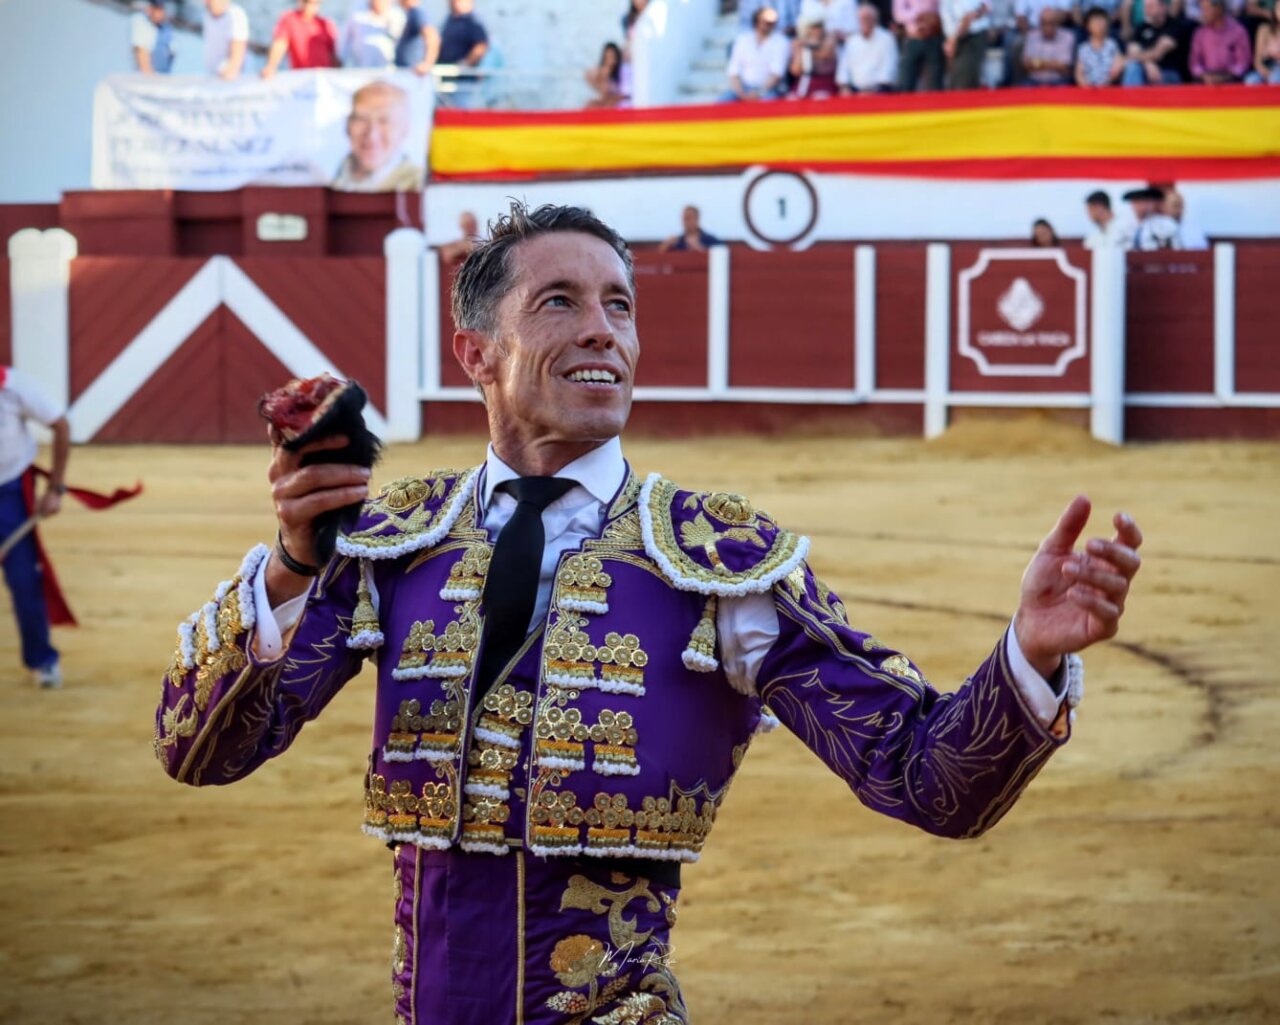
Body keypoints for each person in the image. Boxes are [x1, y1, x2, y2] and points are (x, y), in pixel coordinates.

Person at [155, 201, 1143, 1021]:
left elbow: (928, 777)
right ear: (475, 351)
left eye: (619, 305)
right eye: (559, 301)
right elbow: (201, 751)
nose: (603, 329)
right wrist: (290, 568)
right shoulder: (389, 546)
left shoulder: (720, 564)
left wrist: (1027, 655)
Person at [1, 367, 69, 690]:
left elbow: (60, 424)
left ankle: (42, 659)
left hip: (10, 493)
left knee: (24, 580)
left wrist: (55, 488)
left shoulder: (11, 386)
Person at [331, 80, 423, 192]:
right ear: (347, 125)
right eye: (361, 119)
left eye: (384, 121)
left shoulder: (419, 184)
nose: (372, 134)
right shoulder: (327, 177)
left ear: (404, 129)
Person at [721, 5, 790, 100]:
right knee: (724, 100)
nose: (770, 24)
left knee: (769, 101)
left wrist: (759, 93)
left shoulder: (781, 42)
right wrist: (741, 93)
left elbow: (776, 74)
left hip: (769, 89)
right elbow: (734, 71)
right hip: (743, 87)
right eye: (766, 21)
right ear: (757, 22)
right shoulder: (743, 40)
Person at [261, 0, 339, 78]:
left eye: (314, 3)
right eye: (306, 1)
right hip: (302, 78)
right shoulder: (290, 19)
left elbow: (332, 55)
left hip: (325, 77)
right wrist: (271, 66)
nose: (309, 6)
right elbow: (280, 44)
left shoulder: (326, 24)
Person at [1122, 0, 1192, 84]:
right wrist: (1147, 63)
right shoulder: (1142, 28)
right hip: (1146, 71)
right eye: (1146, 6)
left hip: (1169, 72)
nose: (1147, 9)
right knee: (1133, 67)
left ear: (1163, 7)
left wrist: (1140, 58)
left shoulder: (1175, 26)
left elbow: (1157, 54)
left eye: (1151, 6)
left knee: (1140, 68)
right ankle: (1131, 93)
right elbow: (1131, 52)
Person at [838, 1, 901, 91]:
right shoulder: (852, 41)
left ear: (875, 20)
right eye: (862, 19)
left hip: (880, 90)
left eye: (868, 18)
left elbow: (888, 68)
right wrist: (844, 86)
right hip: (855, 90)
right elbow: (844, 68)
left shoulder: (887, 39)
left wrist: (874, 90)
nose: (865, 22)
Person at [1189, 0, 1252, 82]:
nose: (1203, 14)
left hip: (1231, 78)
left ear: (1219, 9)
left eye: (1206, 10)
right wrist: (1204, 75)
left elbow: (1243, 63)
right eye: (1202, 10)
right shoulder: (1200, 33)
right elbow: (1194, 64)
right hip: (1206, 79)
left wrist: (1226, 76)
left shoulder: (1238, 31)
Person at [340, 0, 408, 69]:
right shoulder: (357, 13)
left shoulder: (397, 15)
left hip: (387, 69)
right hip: (361, 69)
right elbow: (345, 40)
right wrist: (341, 60)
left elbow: (401, 43)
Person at [941, 0, 993, 89]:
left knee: (965, 77)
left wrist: (970, 17)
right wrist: (951, 40)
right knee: (953, 78)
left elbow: (985, 7)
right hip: (951, 38)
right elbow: (946, 14)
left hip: (973, 36)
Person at [895, 0, 946, 90]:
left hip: (934, 37)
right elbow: (898, 14)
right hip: (913, 38)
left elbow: (945, 6)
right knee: (906, 80)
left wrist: (933, 18)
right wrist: (918, 14)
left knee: (935, 81)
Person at [1022, 7, 1077, 84]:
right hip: (1034, 81)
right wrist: (1053, 64)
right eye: (1044, 23)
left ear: (1057, 23)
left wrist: (1037, 63)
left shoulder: (1067, 36)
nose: (1047, 27)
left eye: (1051, 23)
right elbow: (1026, 65)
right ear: (1039, 24)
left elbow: (1064, 66)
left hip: (1059, 81)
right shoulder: (1032, 36)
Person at [788, 20, 842, 96]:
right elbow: (795, 71)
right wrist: (801, 53)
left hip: (825, 83)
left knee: (820, 96)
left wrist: (811, 49)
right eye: (813, 28)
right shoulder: (800, 45)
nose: (816, 31)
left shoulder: (830, 41)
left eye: (819, 27)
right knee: (792, 98)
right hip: (805, 83)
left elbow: (826, 54)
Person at [1076, 5, 1126, 83]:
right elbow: (1079, 73)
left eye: (1101, 21)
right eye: (1095, 22)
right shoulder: (1083, 48)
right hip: (1088, 87)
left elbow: (1118, 65)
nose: (1099, 25)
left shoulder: (1112, 45)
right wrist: (1086, 86)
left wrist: (1106, 82)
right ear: (1088, 26)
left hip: (1109, 86)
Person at [1126, 185, 1184, 249]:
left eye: (1145, 201)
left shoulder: (1167, 224)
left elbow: (1177, 249)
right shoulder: (1125, 225)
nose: (1142, 205)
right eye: (1137, 202)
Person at [202, 0, 249, 80]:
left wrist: (229, 70)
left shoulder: (235, 15)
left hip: (232, 80)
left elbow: (236, 58)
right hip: (213, 77)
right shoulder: (207, 16)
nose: (206, 2)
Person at [394, 0, 442, 76]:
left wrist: (427, 63)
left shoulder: (417, 14)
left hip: (415, 73)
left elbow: (432, 37)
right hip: (406, 71)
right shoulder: (408, 14)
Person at [131, 0, 175, 75]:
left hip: (163, 76)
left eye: (161, 9)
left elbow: (171, 53)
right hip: (146, 79)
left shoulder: (166, 28)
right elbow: (142, 58)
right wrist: (152, 78)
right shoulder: (141, 24)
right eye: (157, 9)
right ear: (150, 9)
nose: (160, 13)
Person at [657, 206, 723, 252]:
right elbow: (660, 258)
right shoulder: (678, 242)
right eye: (684, 218)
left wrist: (699, 248)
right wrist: (666, 245)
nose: (686, 222)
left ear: (697, 219)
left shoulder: (710, 240)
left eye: (689, 218)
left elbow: (722, 254)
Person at [584, 42, 627, 108]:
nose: (611, 60)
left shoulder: (620, 73)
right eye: (608, 56)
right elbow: (588, 75)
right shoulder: (601, 71)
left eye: (613, 56)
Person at [1245, 6, 1280, 80]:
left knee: (1275, 78)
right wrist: (1264, 71)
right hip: (1266, 66)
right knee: (1251, 80)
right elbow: (1257, 60)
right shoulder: (1264, 29)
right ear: (1275, 11)